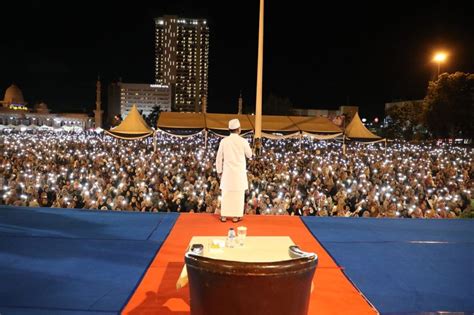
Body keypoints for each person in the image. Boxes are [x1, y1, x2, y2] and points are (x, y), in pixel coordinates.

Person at [216, 119, 253, 223]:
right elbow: (249, 155)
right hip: (239, 173)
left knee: (226, 194)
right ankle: (236, 216)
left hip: (227, 172)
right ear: (239, 129)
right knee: (238, 195)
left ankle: (224, 216)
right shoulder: (243, 141)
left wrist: (219, 170)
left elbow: (219, 157)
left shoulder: (224, 141)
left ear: (229, 129)